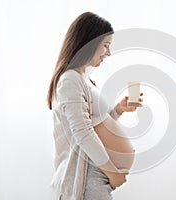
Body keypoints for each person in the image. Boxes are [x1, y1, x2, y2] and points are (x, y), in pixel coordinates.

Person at [46, 12, 143, 200]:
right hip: (87, 176)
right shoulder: (70, 80)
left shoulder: (82, 78)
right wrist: (111, 171)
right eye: (105, 46)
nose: (109, 53)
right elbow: (82, 132)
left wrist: (118, 110)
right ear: (88, 43)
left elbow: (96, 124)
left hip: (96, 174)